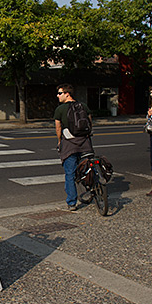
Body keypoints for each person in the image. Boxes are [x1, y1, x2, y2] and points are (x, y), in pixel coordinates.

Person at [53, 83, 93, 211]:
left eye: (60, 93)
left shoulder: (60, 109)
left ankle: (72, 202)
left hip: (70, 145)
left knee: (70, 173)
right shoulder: (84, 106)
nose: (57, 96)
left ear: (67, 94)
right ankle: (94, 191)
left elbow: (58, 128)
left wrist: (60, 141)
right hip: (85, 144)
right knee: (88, 169)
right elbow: (90, 123)